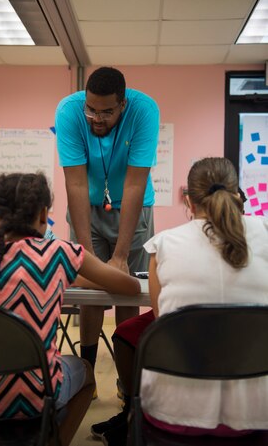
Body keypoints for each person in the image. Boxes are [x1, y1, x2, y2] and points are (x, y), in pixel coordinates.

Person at [91, 157, 268, 446]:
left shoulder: (164, 245)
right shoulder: (264, 230)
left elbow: (163, 324)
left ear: (188, 200)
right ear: (237, 196)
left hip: (174, 412)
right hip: (257, 412)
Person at [0, 172, 140, 446]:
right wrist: (79, 275)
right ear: (44, 214)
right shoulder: (60, 253)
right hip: (36, 397)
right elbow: (131, 288)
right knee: (86, 372)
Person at [55, 67, 160, 382]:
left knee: (128, 290)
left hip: (134, 208)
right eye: (92, 109)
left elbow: (134, 183)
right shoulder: (70, 111)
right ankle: (87, 373)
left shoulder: (144, 110)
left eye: (106, 112)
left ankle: (124, 378)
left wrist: (120, 254)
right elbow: (74, 183)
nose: (96, 118)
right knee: (91, 291)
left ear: (122, 104)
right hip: (85, 206)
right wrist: (86, 255)